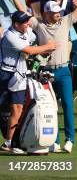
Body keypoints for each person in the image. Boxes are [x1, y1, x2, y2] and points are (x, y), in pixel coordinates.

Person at [30, 0, 77, 153]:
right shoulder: (40, 25)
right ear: (47, 13)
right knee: (51, 107)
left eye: (59, 12)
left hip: (64, 71)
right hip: (46, 73)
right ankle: (54, 140)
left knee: (67, 104)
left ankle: (70, 139)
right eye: (55, 12)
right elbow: (21, 8)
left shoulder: (66, 21)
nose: (58, 14)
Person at [0, 11, 57, 154]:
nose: (27, 24)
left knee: (18, 108)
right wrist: (47, 47)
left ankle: (9, 143)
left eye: (27, 21)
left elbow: (34, 36)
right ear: (16, 24)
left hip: (19, 75)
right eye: (24, 22)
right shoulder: (10, 36)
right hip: (5, 75)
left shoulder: (26, 30)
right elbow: (29, 50)